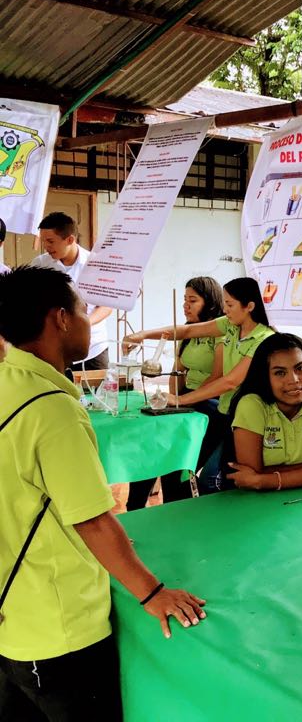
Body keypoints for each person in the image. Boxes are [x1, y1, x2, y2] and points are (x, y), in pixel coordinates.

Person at [0, 266, 205, 719]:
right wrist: (153, 594)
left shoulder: (6, 385)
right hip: (60, 632)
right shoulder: (52, 411)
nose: (90, 319)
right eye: (81, 308)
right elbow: (91, 518)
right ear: (60, 319)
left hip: (13, 623)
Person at [123, 277, 274, 491]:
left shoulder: (263, 338)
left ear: (249, 306)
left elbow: (230, 381)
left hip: (247, 418)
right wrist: (143, 335)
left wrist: (180, 399)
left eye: (230, 305)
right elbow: (187, 331)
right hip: (225, 411)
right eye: (224, 304)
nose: (225, 309)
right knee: (183, 468)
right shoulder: (231, 326)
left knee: (214, 478)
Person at [126, 277, 225, 510]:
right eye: (184, 300)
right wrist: (172, 402)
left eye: (193, 300)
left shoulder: (220, 332)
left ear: (210, 302)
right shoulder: (187, 335)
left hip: (212, 402)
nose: (186, 305)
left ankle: (175, 510)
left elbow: (217, 378)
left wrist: (183, 401)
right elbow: (177, 372)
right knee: (150, 445)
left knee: (176, 459)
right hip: (188, 401)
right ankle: (135, 508)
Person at [224, 333, 302, 490]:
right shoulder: (251, 404)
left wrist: (261, 480)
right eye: (280, 372)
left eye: (300, 368)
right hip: (254, 501)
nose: (294, 380)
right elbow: (250, 473)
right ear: (264, 377)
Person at [30, 212, 112, 371]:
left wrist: (84, 323)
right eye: (44, 241)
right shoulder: (40, 265)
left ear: (70, 240)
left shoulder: (96, 264)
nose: (46, 246)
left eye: (50, 241)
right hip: (53, 350)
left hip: (93, 349)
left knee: (95, 393)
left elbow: (107, 306)